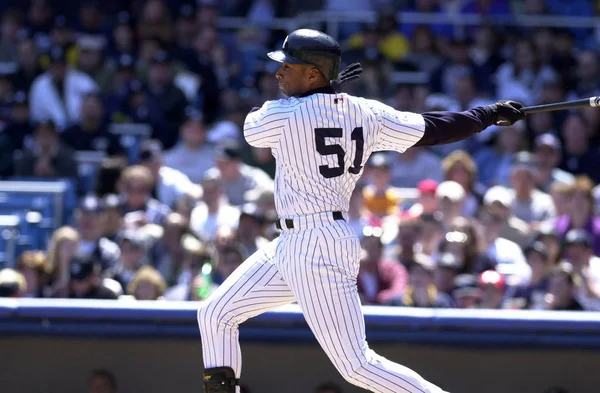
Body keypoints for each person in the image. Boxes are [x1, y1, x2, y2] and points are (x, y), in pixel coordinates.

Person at [197, 28, 526, 393]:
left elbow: (251, 127)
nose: (278, 73)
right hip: (296, 241)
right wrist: (488, 114)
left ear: (313, 74)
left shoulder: (283, 115)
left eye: (288, 66)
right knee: (215, 313)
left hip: (316, 245)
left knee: (356, 365)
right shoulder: (366, 112)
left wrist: (319, 98)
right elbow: (433, 128)